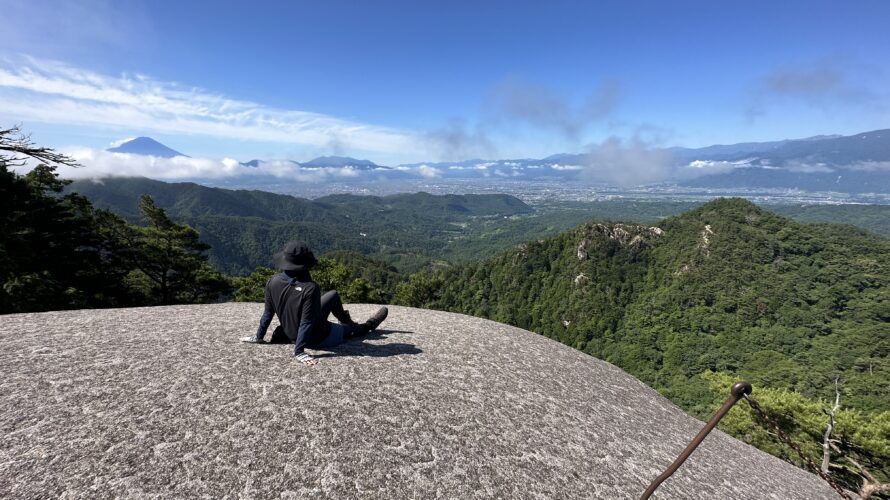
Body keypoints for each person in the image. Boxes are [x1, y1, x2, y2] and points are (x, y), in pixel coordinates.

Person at [241, 241, 388, 366]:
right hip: (317, 337)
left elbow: (268, 313)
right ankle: (366, 326)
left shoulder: (272, 281)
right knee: (348, 330)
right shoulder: (310, 288)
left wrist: (259, 337)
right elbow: (306, 323)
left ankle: (349, 322)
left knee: (333, 295)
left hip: (290, 332)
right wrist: (299, 352)